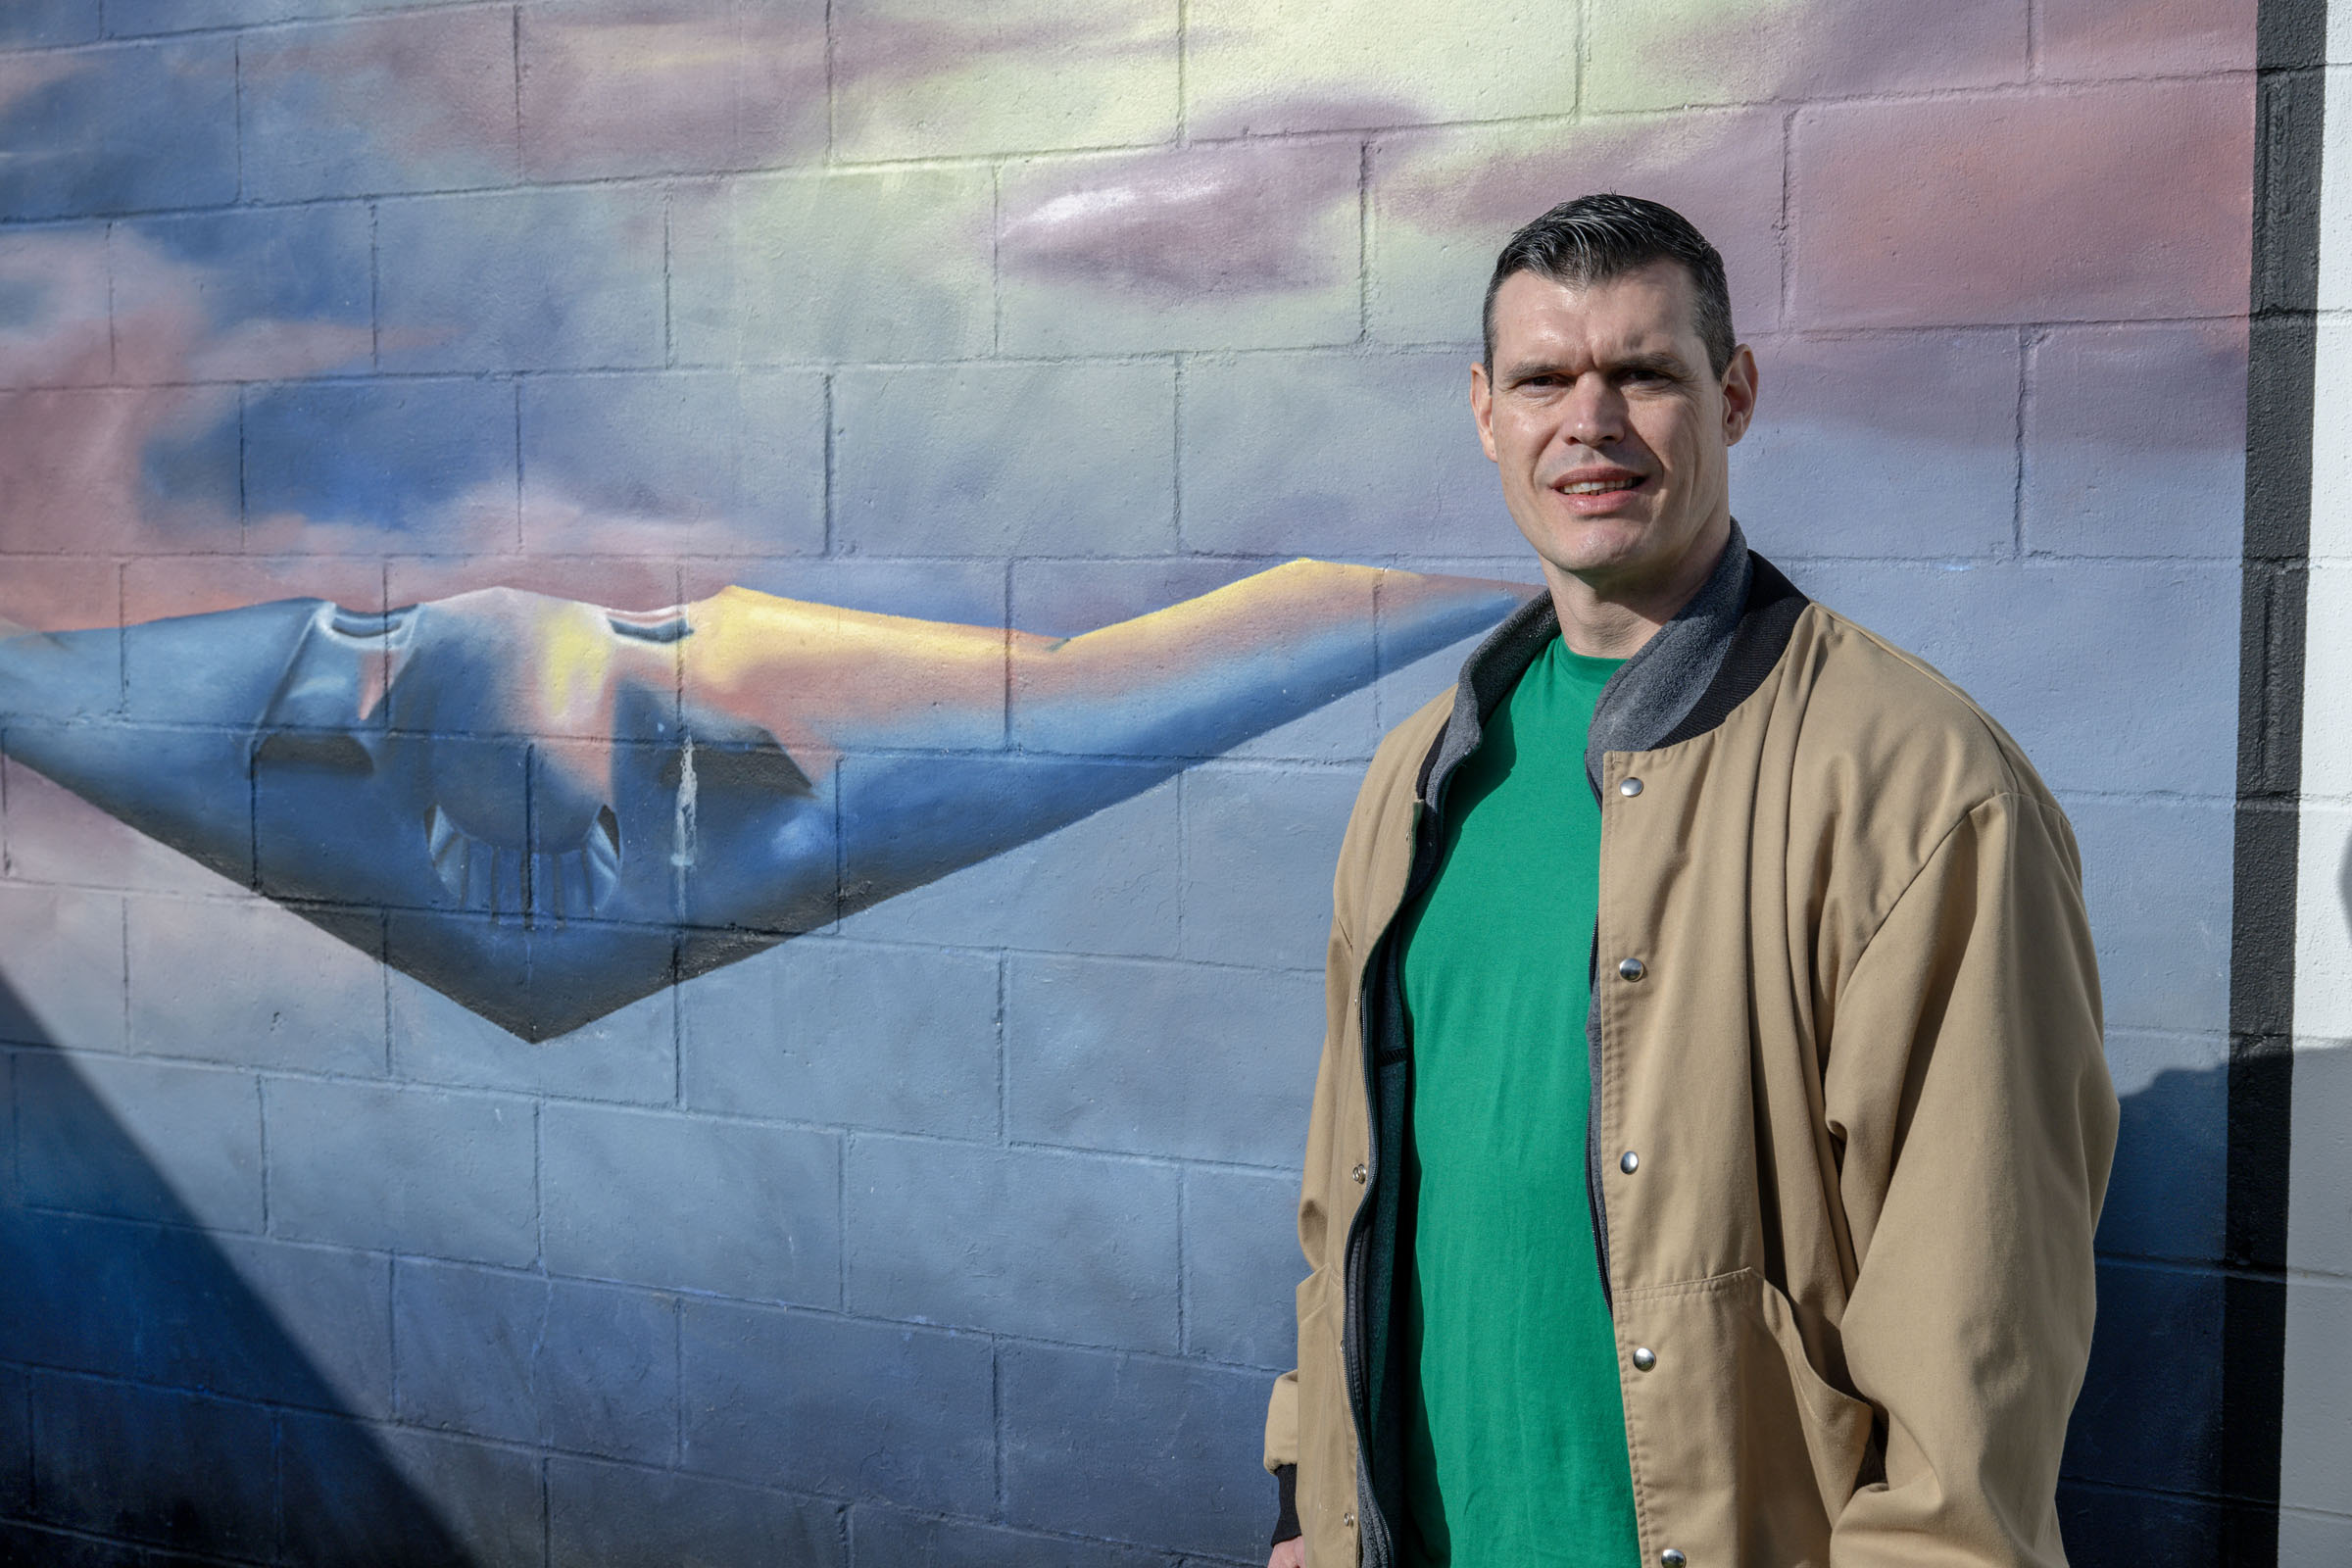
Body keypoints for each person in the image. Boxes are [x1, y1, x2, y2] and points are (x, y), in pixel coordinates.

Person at [1260, 194, 2117, 1568]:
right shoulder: (1423, 775)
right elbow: (1341, 1199)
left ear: (1735, 394)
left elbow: (1982, 1321)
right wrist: (1311, 1493)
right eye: (1544, 378)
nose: (1587, 422)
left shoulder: (1917, 784)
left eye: (1642, 373)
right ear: (1486, 412)